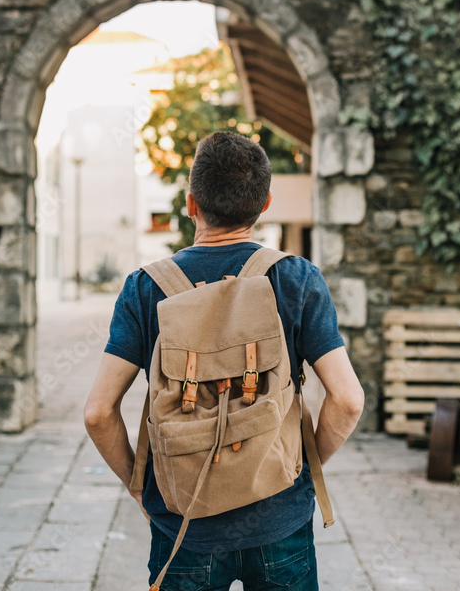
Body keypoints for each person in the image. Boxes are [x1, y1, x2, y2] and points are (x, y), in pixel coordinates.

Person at [84, 130, 364, 591]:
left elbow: (98, 413)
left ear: (191, 203)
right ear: (266, 202)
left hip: (184, 526)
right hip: (280, 518)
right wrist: (301, 472)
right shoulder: (297, 278)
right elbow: (349, 401)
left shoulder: (144, 287)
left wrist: (141, 486)